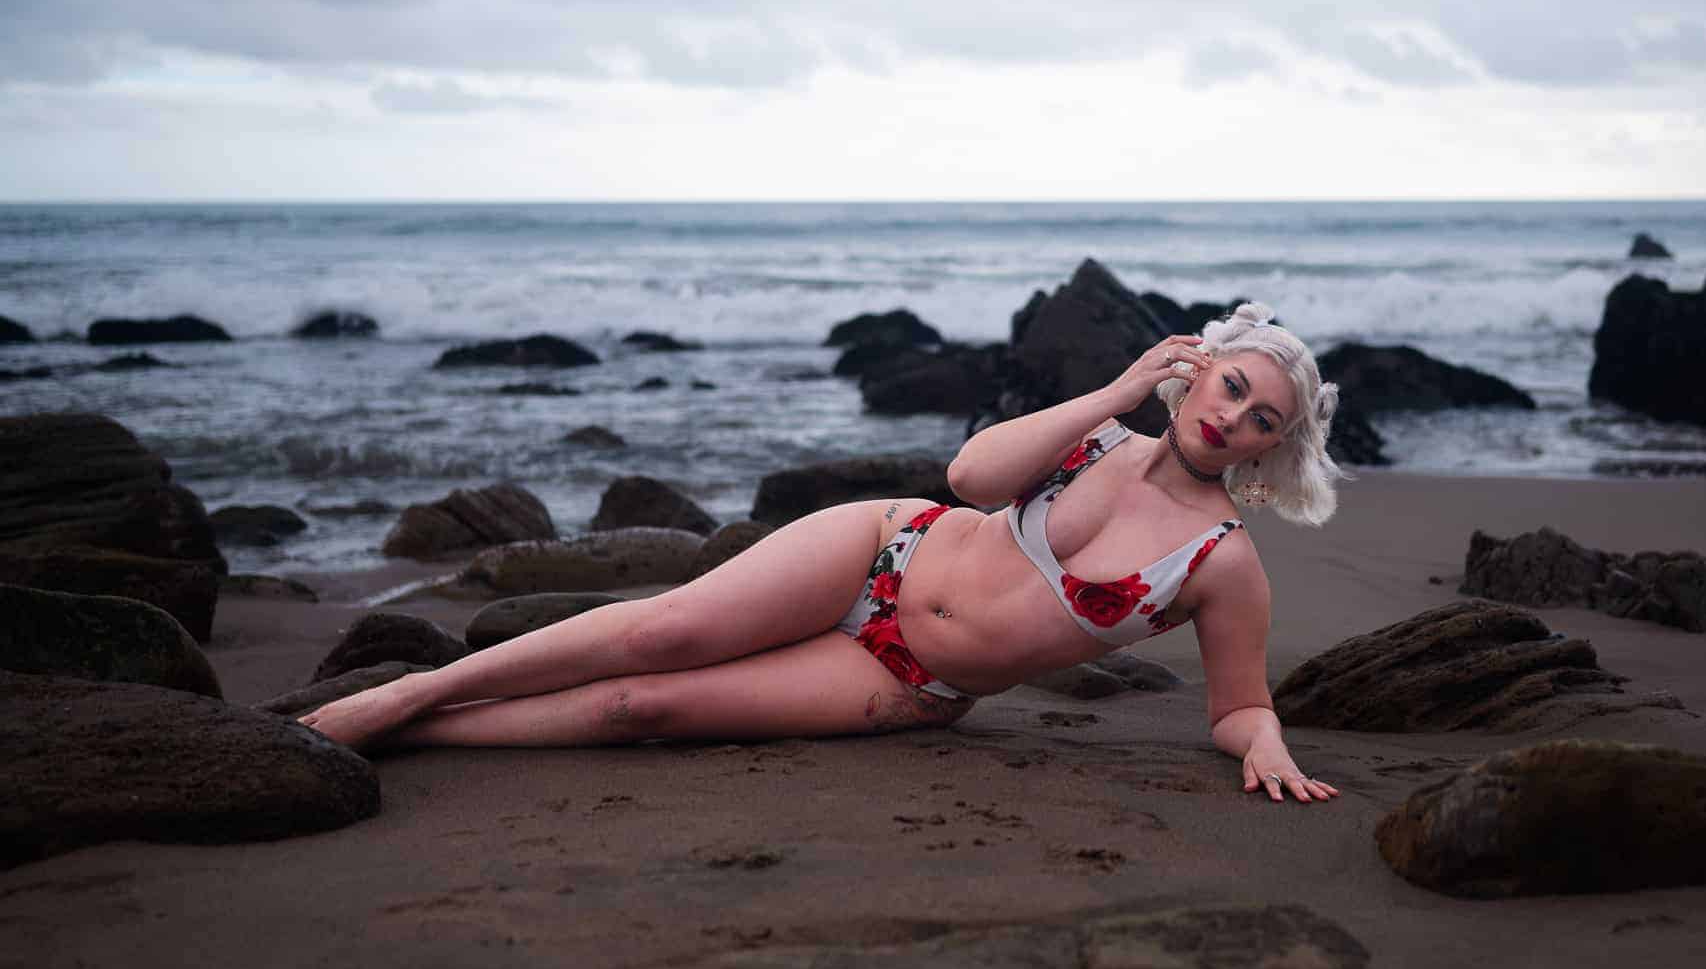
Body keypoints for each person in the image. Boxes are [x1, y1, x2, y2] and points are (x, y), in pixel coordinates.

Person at [300, 302, 1345, 803]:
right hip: (880, 549)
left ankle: (431, 735)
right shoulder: (1097, 431)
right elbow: (972, 479)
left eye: (1262, 417)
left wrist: (1260, 743)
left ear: (1272, 448)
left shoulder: (1218, 561)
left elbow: (1235, 701)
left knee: (644, 709)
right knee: (663, 627)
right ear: (1194, 376)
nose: (1234, 414)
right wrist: (1120, 388)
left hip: (904, 680)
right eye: (1230, 384)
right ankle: (407, 693)